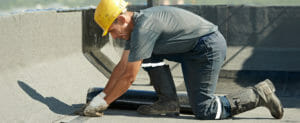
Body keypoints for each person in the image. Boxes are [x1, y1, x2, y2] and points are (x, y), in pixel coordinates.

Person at [81, 0, 284, 119]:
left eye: (113, 30)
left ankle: (258, 95)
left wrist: (103, 102)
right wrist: (103, 95)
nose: (113, 36)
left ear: (122, 19)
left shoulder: (144, 28)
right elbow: (121, 68)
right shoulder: (136, 29)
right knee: (146, 54)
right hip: (192, 48)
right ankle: (168, 102)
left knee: (205, 110)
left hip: (207, 49)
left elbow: (128, 78)